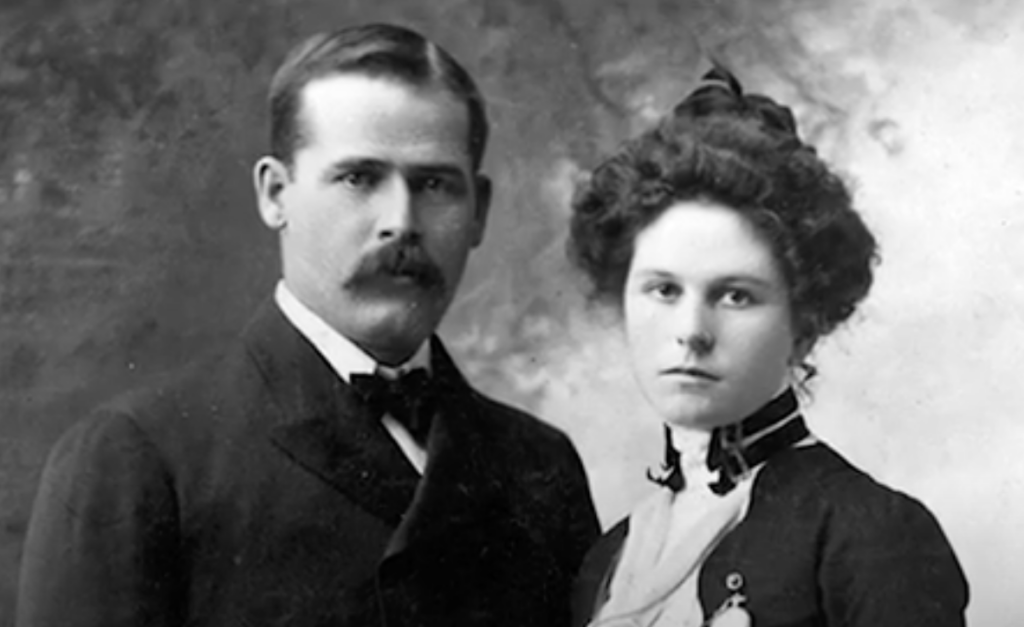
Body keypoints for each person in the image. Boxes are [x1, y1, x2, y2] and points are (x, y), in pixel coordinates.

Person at [17, 24, 599, 627]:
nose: (401, 222)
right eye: (359, 178)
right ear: (275, 194)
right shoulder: (140, 459)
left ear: (478, 211)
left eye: (433, 184)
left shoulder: (541, 465)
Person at [568, 68, 968, 627]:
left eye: (735, 295)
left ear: (803, 323)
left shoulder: (867, 532)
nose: (691, 329)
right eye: (663, 290)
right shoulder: (607, 561)